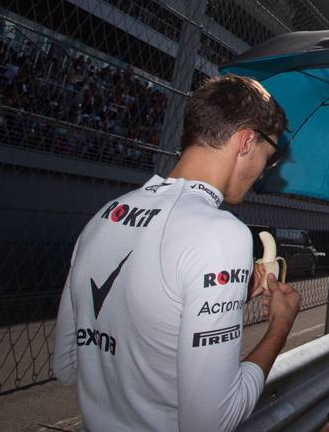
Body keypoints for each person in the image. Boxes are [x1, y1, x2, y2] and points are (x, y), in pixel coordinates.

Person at [52, 75, 300, 432]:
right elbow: (213, 422)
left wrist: (233, 294)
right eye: (270, 156)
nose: (264, 170)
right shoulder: (221, 234)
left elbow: (68, 365)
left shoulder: (107, 215)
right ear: (247, 141)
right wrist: (280, 326)